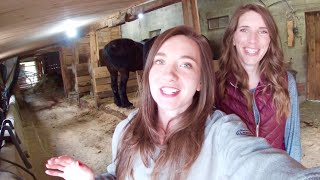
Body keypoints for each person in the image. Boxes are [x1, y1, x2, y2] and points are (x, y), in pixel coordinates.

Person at [45, 26, 319, 180]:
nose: (169, 74)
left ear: (201, 82)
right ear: (149, 70)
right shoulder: (125, 131)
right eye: (160, 61)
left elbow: (263, 166)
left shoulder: (220, 134)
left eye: (186, 64)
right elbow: (118, 176)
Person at [215, 3, 301, 161]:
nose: (253, 40)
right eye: (244, 30)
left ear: (270, 40)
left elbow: (292, 142)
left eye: (262, 31)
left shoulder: (286, 81)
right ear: (233, 38)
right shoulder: (215, 85)